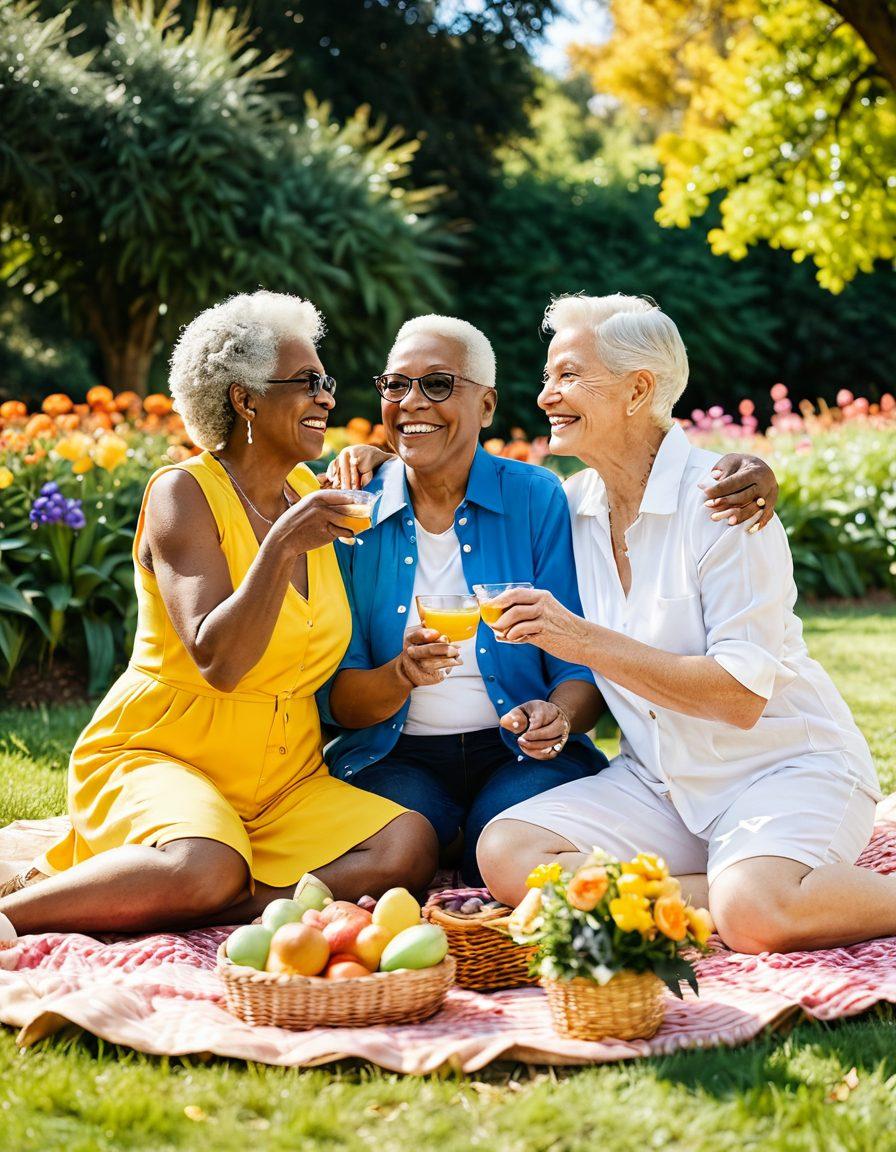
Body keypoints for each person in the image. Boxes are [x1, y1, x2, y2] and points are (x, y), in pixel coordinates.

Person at [0, 291, 435, 945]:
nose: (326, 398)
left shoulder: (312, 495)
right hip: (164, 754)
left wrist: (384, 459)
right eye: (307, 382)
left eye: (327, 384)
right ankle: (17, 914)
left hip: (282, 779)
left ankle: (213, 899)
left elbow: (428, 474)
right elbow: (219, 659)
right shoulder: (183, 493)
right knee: (206, 863)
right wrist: (282, 545)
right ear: (245, 400)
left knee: (408, 843)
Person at [476, 293, 885, 955]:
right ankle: (726, 889)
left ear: (638, 390)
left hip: (782, 770)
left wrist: (578, 639)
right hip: (659, 786)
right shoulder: (570, 506)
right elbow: (457, 484)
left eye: (569, 375)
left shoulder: (725, 505)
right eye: (548, 376)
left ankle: (747, 893)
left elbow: (739, 698)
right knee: (507, 850)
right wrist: (377, 464)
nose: (547, 395)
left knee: (756, 914)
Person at [320, 314, 778, 887]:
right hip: (394, 755)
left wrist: (557, 715)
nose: (411, 401)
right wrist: (401, 674)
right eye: (395, 385)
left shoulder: (540, 499)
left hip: (518, 753)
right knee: (408, 845)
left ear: (487, 406)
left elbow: (577, 668)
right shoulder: (350, 509)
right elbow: (338, 699)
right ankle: (451, 838)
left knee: (494, 847)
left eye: (437, 384)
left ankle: (465, 839)